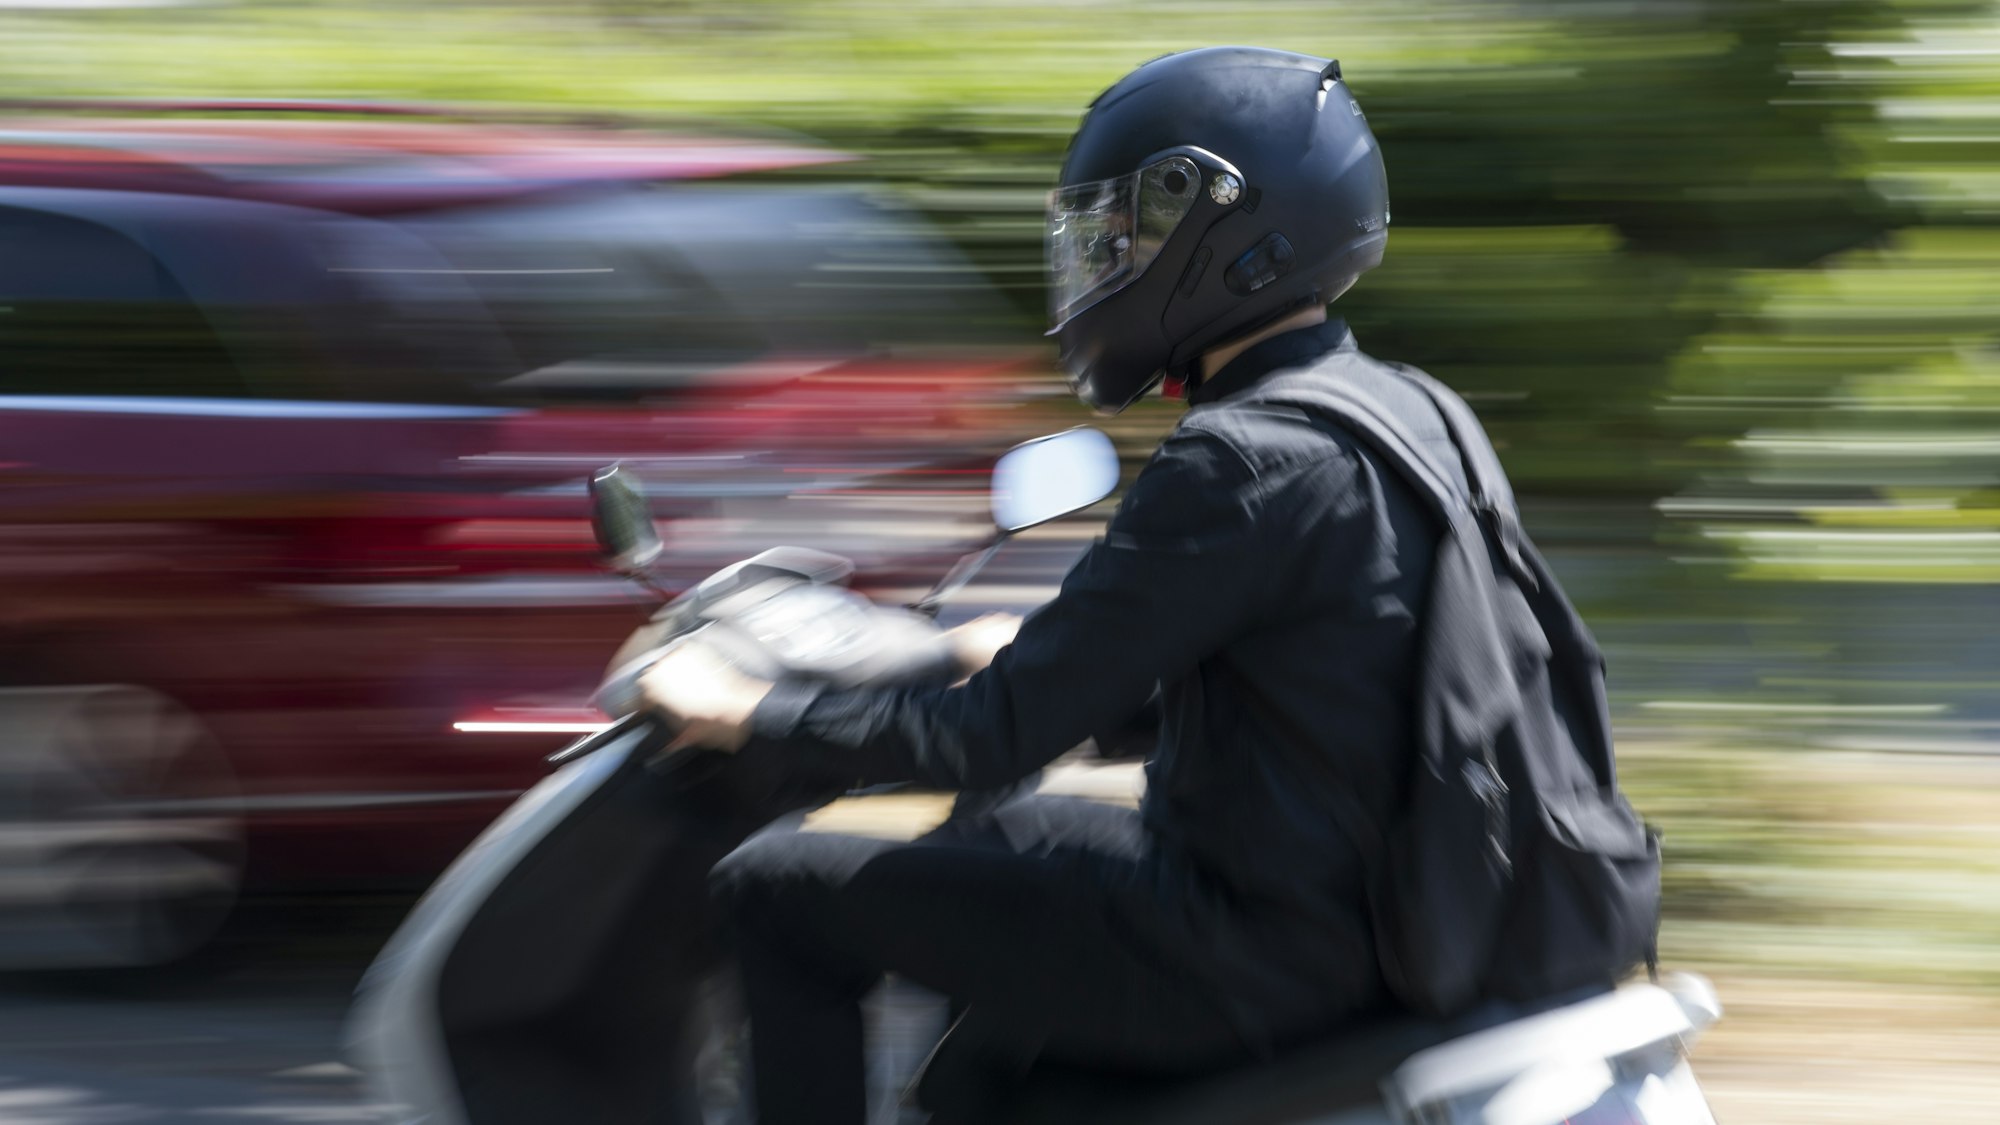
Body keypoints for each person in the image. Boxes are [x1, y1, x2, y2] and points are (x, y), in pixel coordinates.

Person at [643, 46, 1479, 1125]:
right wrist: (1049, 663)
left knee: (775, 888)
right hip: (1362, 912)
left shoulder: (1239, 458)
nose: (1105, 263)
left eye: (1127, 234)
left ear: (1229, 234)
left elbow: (990, 738)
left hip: (1255, 943)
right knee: (997, 854)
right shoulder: (1405, 413)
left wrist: (748, 711)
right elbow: (1310, 671)